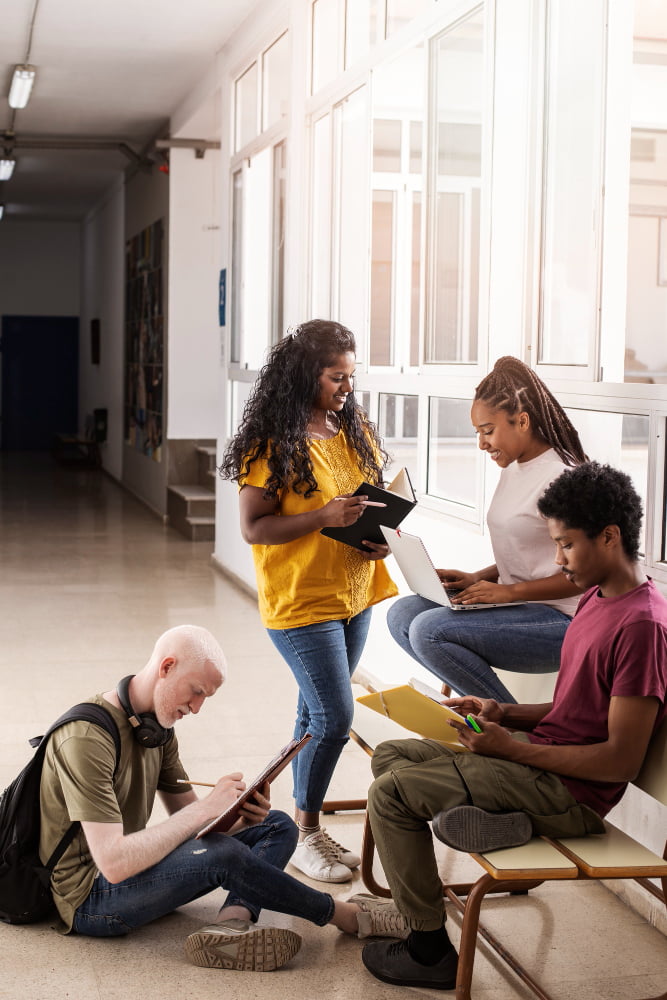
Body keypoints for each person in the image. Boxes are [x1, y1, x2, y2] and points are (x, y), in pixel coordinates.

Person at [361, 463, 667, 989]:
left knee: (392, 795)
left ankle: (429, 950)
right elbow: (576, 711)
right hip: (541, 765)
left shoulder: (642, 627)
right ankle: (506, 821)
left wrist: (510, 750)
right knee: (391, 756)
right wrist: (503, 713)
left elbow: (620, 760)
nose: (557, 560)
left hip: (572, 795)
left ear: (610, 537)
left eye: (567, 545)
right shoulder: (598, 597)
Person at [39, 624, 408, 970]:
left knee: (277, 825)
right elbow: (114, 863)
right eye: (196, 691)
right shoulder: (87, 739)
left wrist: (241, 817)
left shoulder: (156, 729)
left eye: (205, 698)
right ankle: (348, 917)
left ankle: (232, 922)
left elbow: (195, 826)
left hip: (126, 872)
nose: (197, 708)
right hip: (90, 900)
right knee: (223, 854)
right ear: (166, 667)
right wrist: (206, 809)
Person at [219, 320, 397, 882]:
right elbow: (254, 528)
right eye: (335, 377)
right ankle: (306, 825)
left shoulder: (348, 429)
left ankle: (295, 830)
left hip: (354, 592)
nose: (346, 387)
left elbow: (359, 505)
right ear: (303, 375)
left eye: (351, 376)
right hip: (302, 602)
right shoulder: (273, 442)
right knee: (334, 716)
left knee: (310, 714)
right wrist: (323, 517)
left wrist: (375, 537)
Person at [387, 355, 587, 703]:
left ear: (522, 421)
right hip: (522, 607)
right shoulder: (516, 466)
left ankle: (510, 729)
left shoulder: (559, 478)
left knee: (428, 631)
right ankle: (479, 712)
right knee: (402, 614)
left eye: (488, 431)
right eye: (478, 433)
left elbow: (583, 575)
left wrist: (507, 593)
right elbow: (532, 551)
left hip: (561, 621)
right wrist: (479, 578)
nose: (482, 444)